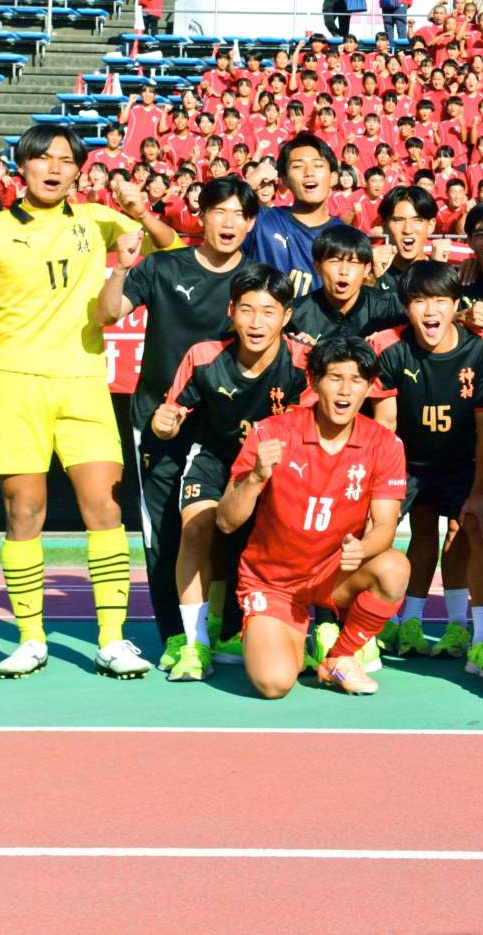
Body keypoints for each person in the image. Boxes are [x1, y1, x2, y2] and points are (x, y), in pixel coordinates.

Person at [0, 124, 179, 679]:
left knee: (104, 508)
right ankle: (31, 637)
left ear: (80, 171)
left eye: (65, 159)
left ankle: (112, 638)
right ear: (22, 167)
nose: (54, 168)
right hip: (15, 382)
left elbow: (168, 246)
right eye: (43, 158)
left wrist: (138, 208)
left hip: (83, 381)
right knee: (23, 511)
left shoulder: (97, 220)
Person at [97, 176, 260, 673]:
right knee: (166, 530)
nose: (229, 223)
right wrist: (121, 270)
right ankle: (176, 634)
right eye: (219, 212)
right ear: (200, 216)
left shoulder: (258, 277)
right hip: (159, 417)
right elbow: (108, 314)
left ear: (250, 223)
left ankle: (229, 628)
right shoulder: (163, 266)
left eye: (239, 215)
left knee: (235, 523)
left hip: (228, 424)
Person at [216, 334, 410, 697]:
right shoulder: (272, 432)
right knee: (274, 684)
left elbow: (385, 525)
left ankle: (339, 658)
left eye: (356, 380)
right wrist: (256, 477)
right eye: (335, 377)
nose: (345, 390)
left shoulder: (384, 444)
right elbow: (226, 521)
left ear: (369, 387)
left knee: (394, 568)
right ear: (315, 381)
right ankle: (280, 636)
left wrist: (364, 549)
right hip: (272, 581)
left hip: (331, 574)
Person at [149, 264, 310, 681]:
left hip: (278, 463)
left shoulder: (303, 363)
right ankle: (195, 642)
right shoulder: (204, 357)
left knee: (292, 537)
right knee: (196, 529)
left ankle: (307, 633)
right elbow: (171, 413)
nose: (257, 322)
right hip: (216, 458)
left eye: (269, 311)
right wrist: (164, 421)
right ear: (231, 311)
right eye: (248, 310)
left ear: (287, 316)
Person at [369, 260, 483, 673]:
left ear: (456, 305)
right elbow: (386, 425)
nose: (429, 312)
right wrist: (382, 493)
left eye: (440, 301)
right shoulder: (389, 346)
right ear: (405, 306)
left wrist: (482, 489)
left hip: (462, 460)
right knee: (389, 534)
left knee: (476, 532)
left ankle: (476, 636)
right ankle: (402, 624)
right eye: (418, 302)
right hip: (407, 461)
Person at [242, 133, 344, 297]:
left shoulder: (345, 236)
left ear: (333, 177)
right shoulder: (262, 221)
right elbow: (217, 216)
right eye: (297, 166)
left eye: (318, 165)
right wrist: (250, 182)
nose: (309, 172)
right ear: (283, 180)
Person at [288, 224, 406, 342]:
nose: (344, 271)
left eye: (353, 262)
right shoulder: (297, 314)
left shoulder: (390, 308)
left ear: (367, 269)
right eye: (335, 261)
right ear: (317, 266)